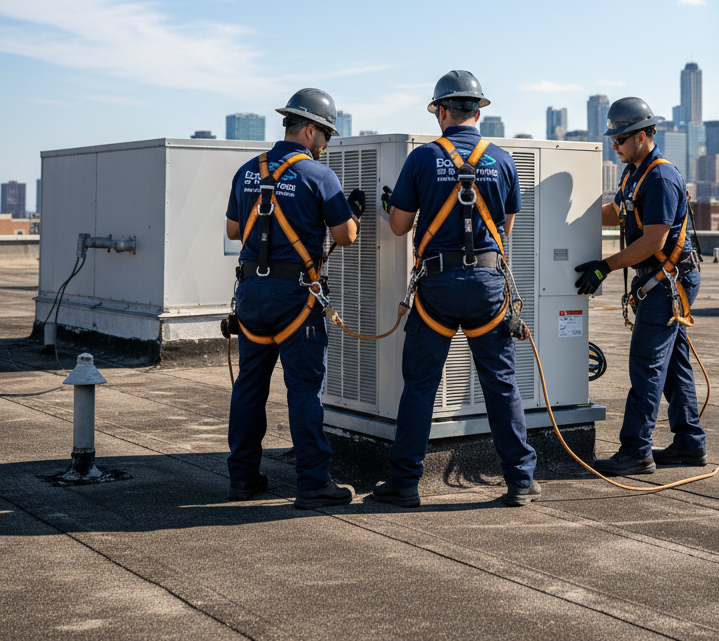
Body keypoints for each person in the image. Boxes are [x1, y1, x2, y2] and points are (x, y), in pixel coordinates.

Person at [374, 70, 539, 508]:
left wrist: (394, 203)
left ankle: (405, 482)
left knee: (421, 386)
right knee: (501, 383)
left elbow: (398, 226)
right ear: (478, 111)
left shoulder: (423, 159)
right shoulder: (503, 160)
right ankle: (520, 481)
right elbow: (505, 231)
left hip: (438, 286)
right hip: (487, 285)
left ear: (442, 111)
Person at [225, 88, 365, 509]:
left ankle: (243, 478)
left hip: (251, 293)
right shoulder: (318, 176)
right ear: (309, 130)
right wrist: (350, 211)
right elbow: (346, 235)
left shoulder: (248, 169)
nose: (325, 144)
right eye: (324, 135)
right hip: (295, 298)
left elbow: (234, 232)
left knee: (250, 386)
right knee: (304, 389)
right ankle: (313, 483)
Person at [573, 96, 706, 475]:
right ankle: (689, 444)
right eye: (613, 139)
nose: (613, 145)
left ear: (644, 136)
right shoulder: (635, 172)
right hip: (659, 279)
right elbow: (619, 210)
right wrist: (575, 221)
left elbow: (653, 242)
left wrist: (605, 267)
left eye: (620, 139)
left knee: (646, 365)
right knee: (675, 364)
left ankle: (635, 450)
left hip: (667, 282)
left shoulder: (661, 177)